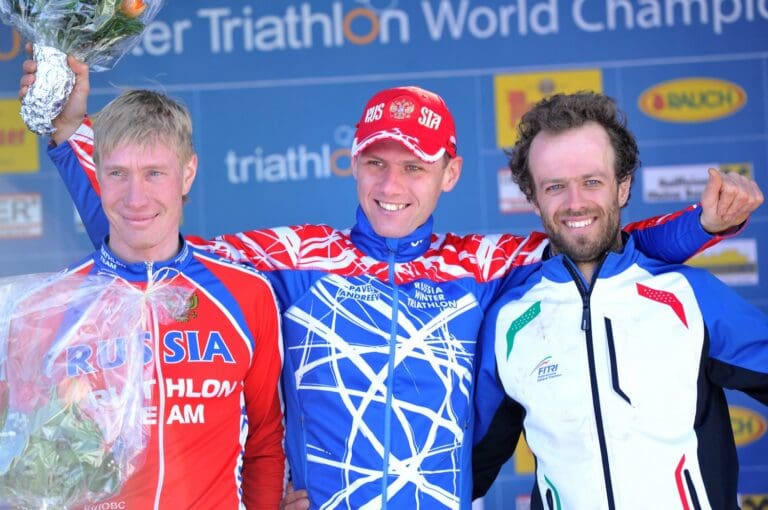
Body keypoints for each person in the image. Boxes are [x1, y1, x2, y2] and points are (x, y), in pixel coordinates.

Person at [19, 56, 763, 509]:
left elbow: (600, 238)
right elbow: (150, 234)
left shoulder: (486, 263)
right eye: (376, 161)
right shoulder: (291, 254)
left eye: (413, 164)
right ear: (352, 164)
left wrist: (700, 229)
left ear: (449, 173)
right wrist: (68, 135)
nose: (391, 182)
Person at [474, 92, 767, 509]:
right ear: (531, 196)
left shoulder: (687, 296)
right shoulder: (509, 319)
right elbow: (464, 471)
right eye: (555, 186)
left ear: (623, 186)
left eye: (592, 181)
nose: (575, 202)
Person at [21, 88, 286, 509]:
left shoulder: (245, 294)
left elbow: (266, 442)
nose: (135, 198)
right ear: (99, 176)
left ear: (188, 172)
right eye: (118, 174)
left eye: (154, 174)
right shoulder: (49, 307)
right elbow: (23, 456)